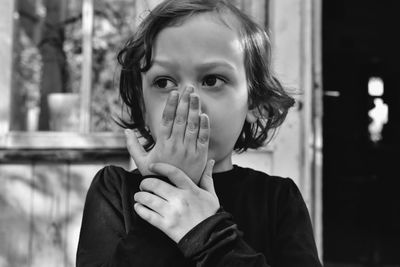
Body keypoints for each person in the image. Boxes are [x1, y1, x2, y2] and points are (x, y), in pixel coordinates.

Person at [76, 0, 322, 266]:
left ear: (254, 102)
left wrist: (206, 233)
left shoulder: (278, 200)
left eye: (211, 80)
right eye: (164, 82)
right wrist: (165, 195)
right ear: (143, 105)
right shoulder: (114, 190)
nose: (186, 99)